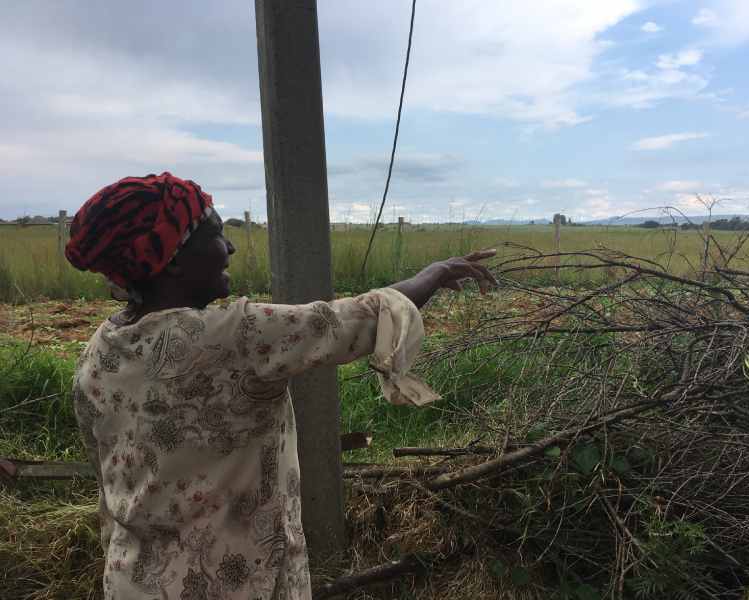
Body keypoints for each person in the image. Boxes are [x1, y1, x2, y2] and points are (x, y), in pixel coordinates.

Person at [65, 172, 496, 600]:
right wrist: (436, 272)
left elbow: (109, 486)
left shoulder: (99, 353)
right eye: (215, 234)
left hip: (134, 580)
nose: (230, 247)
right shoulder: (232, 336)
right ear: (172, 256)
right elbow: (353, 320)